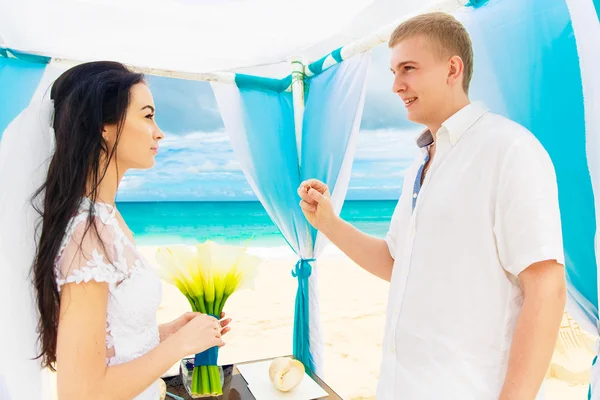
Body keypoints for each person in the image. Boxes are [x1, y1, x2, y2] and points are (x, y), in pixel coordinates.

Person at [298, 12, 566, 400]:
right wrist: (328, 223)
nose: (395, 85)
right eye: (392, 71)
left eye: (408, 68)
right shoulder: (420, 166)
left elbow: (546, 287)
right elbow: (395, 262)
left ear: (452, 69)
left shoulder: (510, 148)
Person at [0, 61, 230, 399]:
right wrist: (180, 345)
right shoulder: (87, 232)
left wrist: (166, 333)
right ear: (102, 127)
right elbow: (80, 391)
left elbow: (110, 340)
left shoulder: (107, 216)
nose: (159, 132)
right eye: (148, 115)